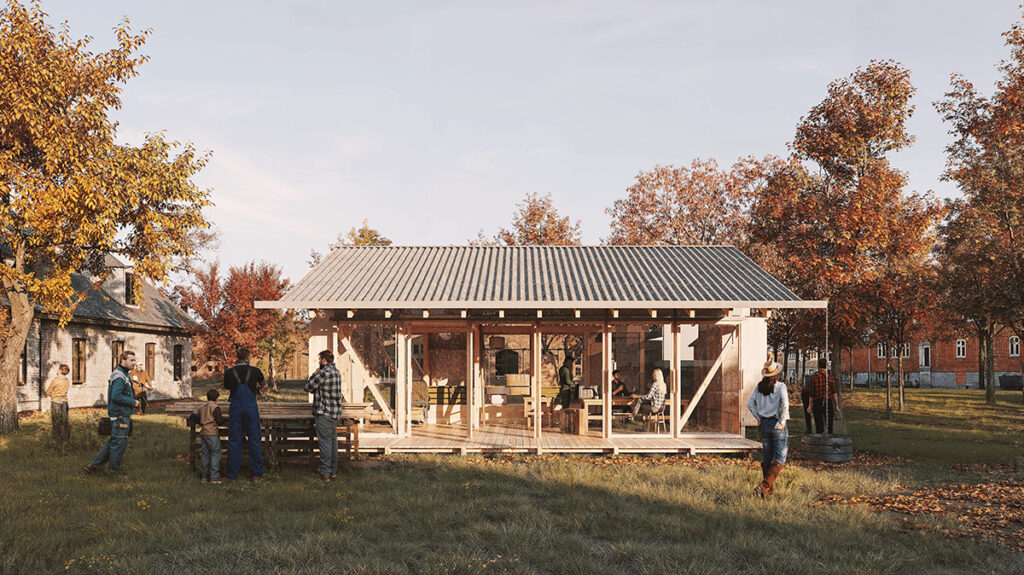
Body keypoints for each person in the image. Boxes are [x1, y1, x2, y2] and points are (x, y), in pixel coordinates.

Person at [85, 351, 139, 474]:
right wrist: (132, 402)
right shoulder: (119, 376)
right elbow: (116, 396)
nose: (134, 363)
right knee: (119, 443)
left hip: (121, 414)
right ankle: (113, 471)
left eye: (134, 360)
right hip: (120, 415)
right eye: (131, 360)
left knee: (114, 441)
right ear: (122, 361)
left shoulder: (123, 374)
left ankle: (93, 466)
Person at [224, 347, 267, 481]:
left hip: (236, 408)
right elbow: (264, 385)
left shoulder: (229, 372)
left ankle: (232, 475)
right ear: (248, 358)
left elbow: (227, 387)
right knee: (254, 440)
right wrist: (259, 391)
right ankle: (257, 475)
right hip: (251, 408)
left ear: (237, 357)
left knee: (234, 441)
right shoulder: (255, 371)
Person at [747, 360, 789, 498]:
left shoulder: (759, 387)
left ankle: (767, 493)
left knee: (767, 457)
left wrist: (759, 417)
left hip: (764, 424)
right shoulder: (781, 386)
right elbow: (784, 403)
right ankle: (763, 486)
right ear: (776, 374)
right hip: (777, 424)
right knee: (780, 457)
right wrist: (782, 421)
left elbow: (750, 404)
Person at [305, 349, 345, 481]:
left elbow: (308, 387)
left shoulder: (323, 373)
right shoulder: (337, 372)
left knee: (325, 444)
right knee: (333, 443)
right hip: (334, 413)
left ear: (323, 361)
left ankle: (325, 473)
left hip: (324, 412)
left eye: (319, 361)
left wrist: (313, 374)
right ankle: (333, 471)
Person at [190, 389, 227, 483]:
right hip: (212, 433)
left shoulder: (203, 406)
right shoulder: (215, 407)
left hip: (203, 433)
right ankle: (214, 477)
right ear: (216, 398)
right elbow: (219, 421)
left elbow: (192, 416)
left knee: (205, 454)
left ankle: (204, 477)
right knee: (216, 453)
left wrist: (201, 422)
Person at [806, 358, 841, 435]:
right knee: (829, 424)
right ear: (826, 366)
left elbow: (811, 393)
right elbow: (834, 392)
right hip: (827, 402)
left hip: (817, 402)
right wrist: (836, 405)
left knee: (819, 424)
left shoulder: (814, 377)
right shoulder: (830, 378)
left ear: (818, 366)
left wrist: (809, 405)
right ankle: (829, 440)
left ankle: (820, 441)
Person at [46, 364, 71, 441]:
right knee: (64, 421)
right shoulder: (67, 381)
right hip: (65, 402)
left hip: (56, 402)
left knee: (56, 421)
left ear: (60, 370)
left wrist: (52, 394)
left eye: (58, 369)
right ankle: (65, 438)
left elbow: (47, 392)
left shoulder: (55, 380)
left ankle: (56, 439)